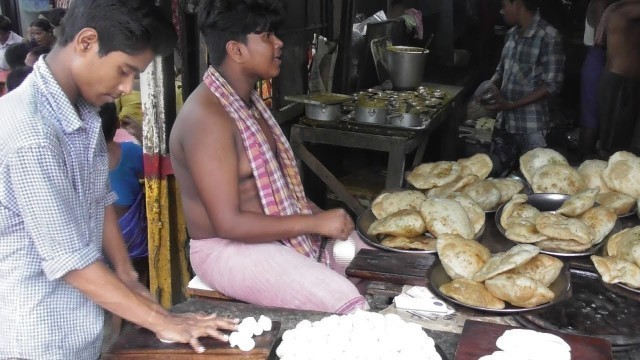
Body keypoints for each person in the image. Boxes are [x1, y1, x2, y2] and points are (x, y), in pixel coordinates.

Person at [0, 1, 238, 358]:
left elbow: (101, 199)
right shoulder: (32, 133)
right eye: (124, 71)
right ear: (86, 42)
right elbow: (71, 261)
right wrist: (163, 321)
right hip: (41, 338)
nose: (127, 87)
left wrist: (128, 278)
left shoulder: (85, 116)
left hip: (87, 327)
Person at [170, 0, 369, 314]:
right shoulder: (207, 119)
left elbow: (279, 193)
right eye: (265, 37)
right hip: (226, 249)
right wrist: (315, 223)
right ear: (236, 50)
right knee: (345, 302)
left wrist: (317, 217)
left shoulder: (248, 102)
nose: (279, 44)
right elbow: (229, 224)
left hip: (271, 239)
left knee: (364, 256)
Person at [485, 0, 565, 174]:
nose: (501, 11)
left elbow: (552, 86)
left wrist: (511, 105)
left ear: (518, 4)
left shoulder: (548, 36)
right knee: (497, 178)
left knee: (533, 180)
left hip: (531, 128)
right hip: (505, 123)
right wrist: (487, 87)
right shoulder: (511, 35)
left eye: (505, 5)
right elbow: (501, 71)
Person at [597, 0, 640, 156]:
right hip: (618, 84)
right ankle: (606, 174)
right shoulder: (624, 11)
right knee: (613, 144)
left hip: (625, 84)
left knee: (622, 141)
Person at [578, 0, 617, 158]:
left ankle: (586, 155)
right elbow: (600, 38)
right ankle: (585, 158)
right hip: (599, 58)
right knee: (592, 116)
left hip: (600, 59)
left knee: (593, 114)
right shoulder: (601, 3)